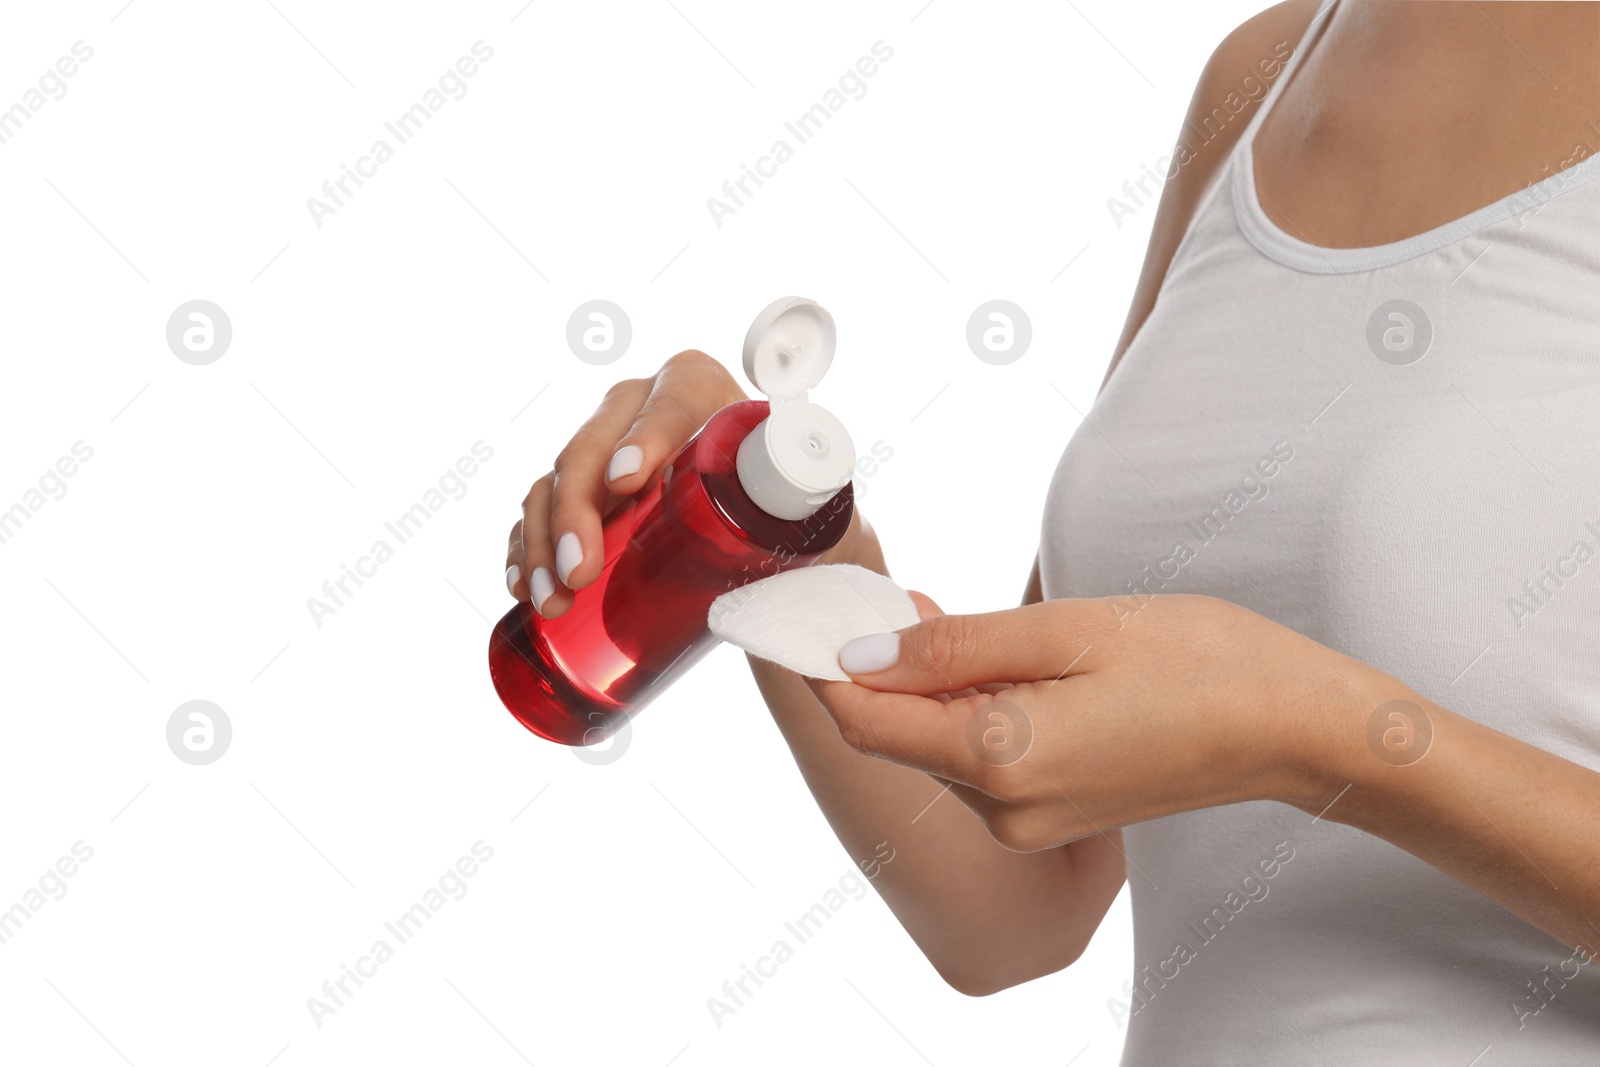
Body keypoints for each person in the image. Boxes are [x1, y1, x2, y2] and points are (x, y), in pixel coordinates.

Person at [505, 1, 1600, 1059]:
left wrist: (1314, 732)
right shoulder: (1263, 78)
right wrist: (767, 536)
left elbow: (1279, 720)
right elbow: (1017, 906)